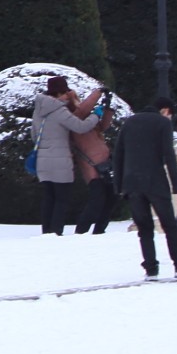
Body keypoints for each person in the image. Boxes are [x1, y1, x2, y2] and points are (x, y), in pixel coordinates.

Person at [113, 98, 177, 276]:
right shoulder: (162, 123)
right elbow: (169, 155)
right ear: (166, 111)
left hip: (132, 183)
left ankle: (151, 269)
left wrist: (119, 186)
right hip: (155, 181)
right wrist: (176, 186)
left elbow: (118, 154)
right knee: (169, 225)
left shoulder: (129, 122)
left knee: (144, 229)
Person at [32, 76, 104, 235]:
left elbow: (33, 135)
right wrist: (96, 115)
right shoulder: (60, 111)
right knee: (61, 199)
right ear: (58, 94)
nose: (67, 95)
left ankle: (46, 232)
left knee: (49, 198)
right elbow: (80, 127)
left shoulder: (38, 111)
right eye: (65, 92)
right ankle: (56, 232)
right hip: (60, 162)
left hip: (42, 163)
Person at [71, 91, 118, 234]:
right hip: (92, 167)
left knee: (111, 197)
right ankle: (81, 231)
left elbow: (102, 126)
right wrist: (98, 93)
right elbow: (82, 110)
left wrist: (107, 109)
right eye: (76, 99)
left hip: (104, 165)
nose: (79, 101)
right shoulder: (75, 120)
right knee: (96, 200)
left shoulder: (89, 121)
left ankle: (99, 230)